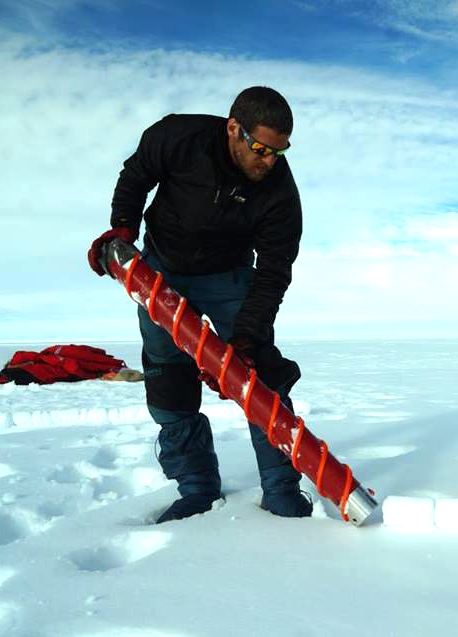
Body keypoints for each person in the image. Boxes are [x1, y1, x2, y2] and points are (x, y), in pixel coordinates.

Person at [87, 86, 312, 523]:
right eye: (262, 149)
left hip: (229, 278)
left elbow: (274, 270)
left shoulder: (279, 192)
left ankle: (282, 491)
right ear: (234, 128)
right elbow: (136, 176)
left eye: (280, 152)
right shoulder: (179, 136)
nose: (270, 161)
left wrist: (246, 339)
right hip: (160, 272)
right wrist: (122, 231)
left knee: (260, 377)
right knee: (167, 378)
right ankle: (196, 489)